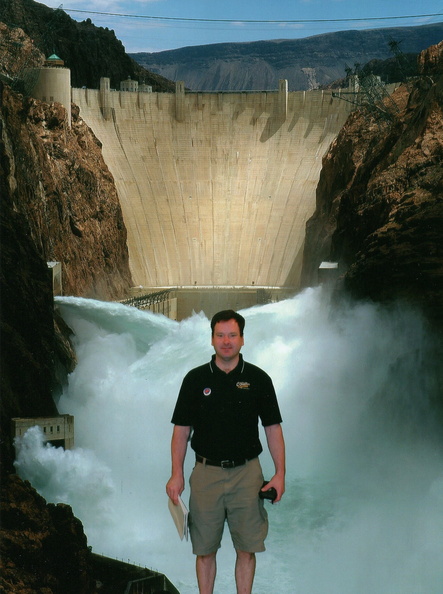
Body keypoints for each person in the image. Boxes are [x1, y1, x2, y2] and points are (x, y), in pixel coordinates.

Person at [166, 309, 285, 594]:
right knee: (204, 551)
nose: (226, 341)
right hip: (206, 474)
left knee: (247, 549)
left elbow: (273, 429)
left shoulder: (259, 379)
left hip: (248, 474)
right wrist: (176, 474)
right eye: (220, 335)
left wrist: (280, 474)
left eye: (232, 335)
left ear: (242, 339)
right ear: (212, 340)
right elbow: (181, 431)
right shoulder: (194, 380)